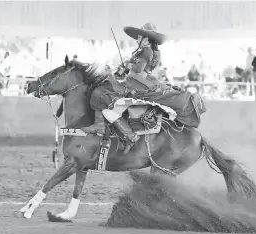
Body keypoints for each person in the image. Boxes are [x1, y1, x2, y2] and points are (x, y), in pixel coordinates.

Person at [82, 23, 206, 154]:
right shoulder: (150, 50)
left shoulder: (146, 50)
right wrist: (124, 67)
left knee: (102, 95)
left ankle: (120, 132)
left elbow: (138, 69)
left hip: (135, 83)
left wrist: (127, 63)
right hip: (139, 80)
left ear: (146, 38)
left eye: (139, 37)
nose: (137, 39)